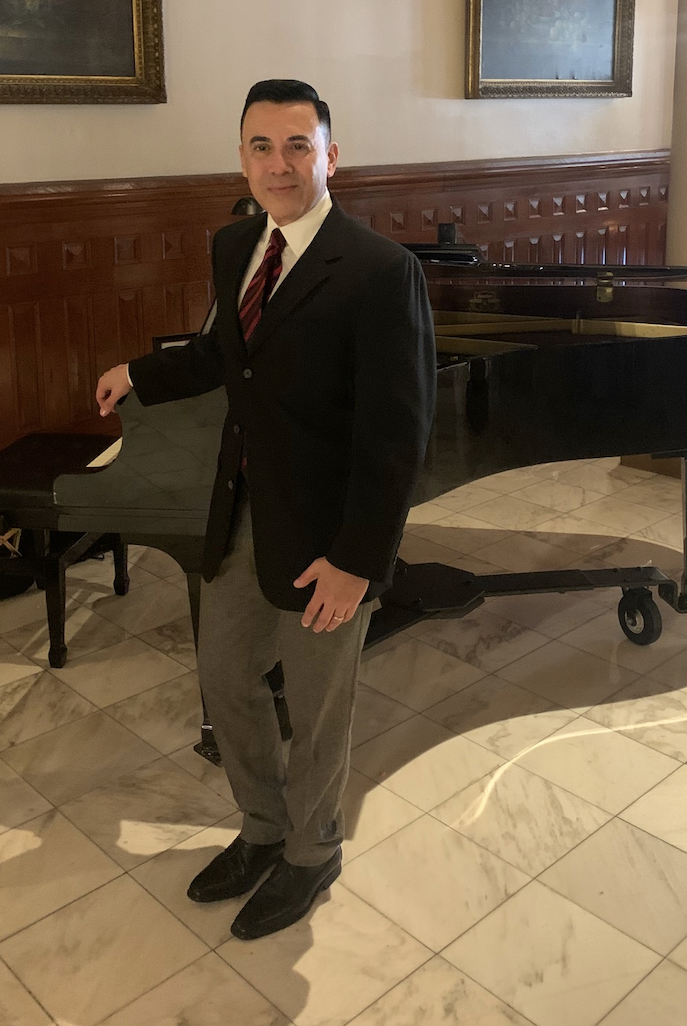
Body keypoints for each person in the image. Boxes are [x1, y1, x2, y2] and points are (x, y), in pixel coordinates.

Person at [96, 79, 436, 940]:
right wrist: (143, 373)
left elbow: (398, 436)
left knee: (319, 709)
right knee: (226, 678)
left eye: (297, 146)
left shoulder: (378, 270)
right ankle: (263, 828)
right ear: (241, 156)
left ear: (331, 156)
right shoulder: (237, 243)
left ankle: (313, 851)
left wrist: (359, 558)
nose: (279, 165)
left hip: (328, 533)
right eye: (261, 146)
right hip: (244, 510)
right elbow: (227, 350)